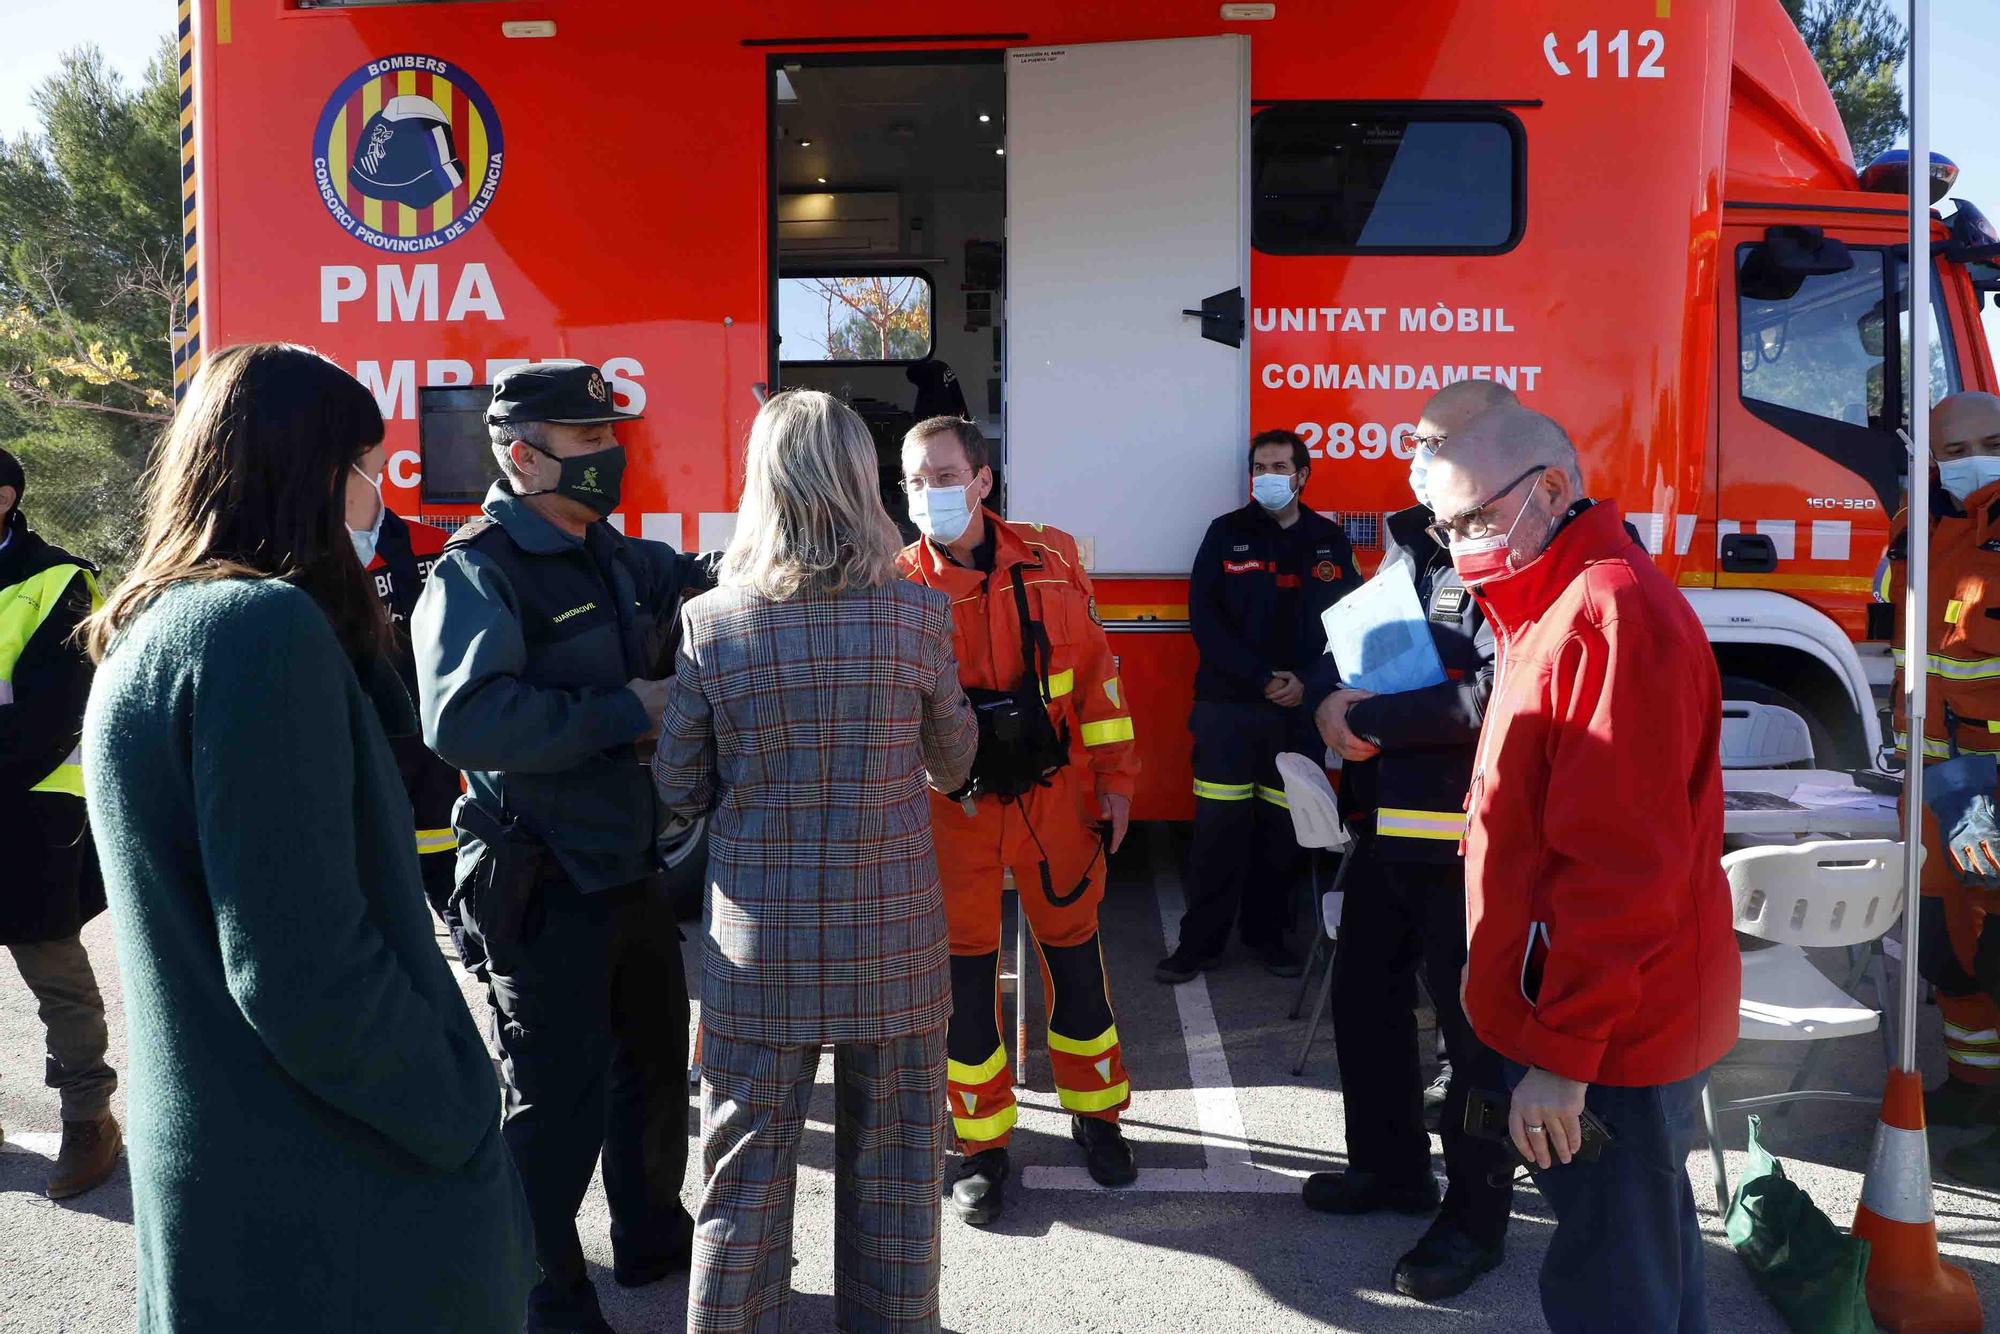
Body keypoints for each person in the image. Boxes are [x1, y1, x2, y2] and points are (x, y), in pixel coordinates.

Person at [78, 344, 534, 1331]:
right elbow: (303, 972)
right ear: (317, 470)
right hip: (330, 1212)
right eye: (368, 465)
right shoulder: (259, 630)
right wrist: (457, 1103)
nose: (380, 492)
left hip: (239, 1197)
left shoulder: (153, 630)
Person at [654, 389, 977, 1333]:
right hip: (896, 942)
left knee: (741, 1183)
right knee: (899, 1184)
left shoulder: (713, 622)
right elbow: (953, 761)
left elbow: (678, 783)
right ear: (859, 480)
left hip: (760, 949)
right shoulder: (918, 614)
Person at [413, 361, 712, 1332]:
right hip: (540, 879)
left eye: (605, 438)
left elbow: (701, 582)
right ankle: (545, 1288)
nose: (608, 456)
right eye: (588, 444)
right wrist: (626, 708)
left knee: (656, 1066)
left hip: (629, 865)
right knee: (553, 1103)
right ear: (522, 453)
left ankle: (650, 1230)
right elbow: (464, 718)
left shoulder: (614, 554)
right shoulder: (481, 566)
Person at [1426, 407, 1738, 1333]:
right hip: (1603, 1023)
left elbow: (1620, 871)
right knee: (1641, 1252)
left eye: (1472, 521)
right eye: (1444, 529)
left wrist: (1563, 1060)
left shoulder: (1605, 613)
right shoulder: (1559, 599)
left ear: (1551, 490)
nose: (1456, 549)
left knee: (1613, 1282)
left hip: (1609, 1040)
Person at [1296, 380, 1518, 1302]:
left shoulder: (1509, 552)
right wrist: (1328, 698)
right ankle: (1390, 1169)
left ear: (1489, 449)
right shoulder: (1414, 541)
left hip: (1469, 844)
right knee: (1365, 1002)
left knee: (1473, 1042)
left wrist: (1370, 714)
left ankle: (1475, 1223)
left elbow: (1486, 692)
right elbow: (1356, 647)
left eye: (1434, 441)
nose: (1416, 455)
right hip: (1390, 827)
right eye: (1416, 440)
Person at [897, 415, 1141, 1225]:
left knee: (1075, 966)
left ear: (982, 481)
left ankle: (1097, 1114)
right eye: (913, 481)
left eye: (941, 475)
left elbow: (1101, 681)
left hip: (1055, 800)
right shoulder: (895, 582)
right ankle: (982, 1146)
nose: (927, 493)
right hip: (953, 813)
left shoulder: (1053, 558)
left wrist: (1119, 782)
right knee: (966, 987)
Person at [1159, 427, 1359, 983]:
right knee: (1217, 832)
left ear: (1302, 476)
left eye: (1278, 468)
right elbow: (1206, 619)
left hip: (1299, 712)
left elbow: (1346, 626)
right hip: (1229, 708)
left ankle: (1270, 939)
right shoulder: (1226, 535)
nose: (1267, 478)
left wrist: (1310, 682)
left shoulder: (1328, 540)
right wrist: (1260, 677)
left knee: (1284, 832)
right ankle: (1197, 947)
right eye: (1260, 468)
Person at [1876, 390, 2000, 1183]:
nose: (1970, 461)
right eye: (1952, 451)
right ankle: (1976, 1087)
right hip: (1931, 785)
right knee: (1947, 944)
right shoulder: (1914, 527)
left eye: (1987, 444)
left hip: (1988, 783)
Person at [0, 448, 120, 1199]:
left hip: (35, 802)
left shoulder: (62, 579)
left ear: (4, 496)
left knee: (54, 970)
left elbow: (53, 712)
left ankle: (88, 1120)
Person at [346, 444, 464, 952]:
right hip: (380, 740)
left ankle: (467, 944)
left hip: (414, 740)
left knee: (435, 853)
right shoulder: (313, 560)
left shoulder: (429, 548)